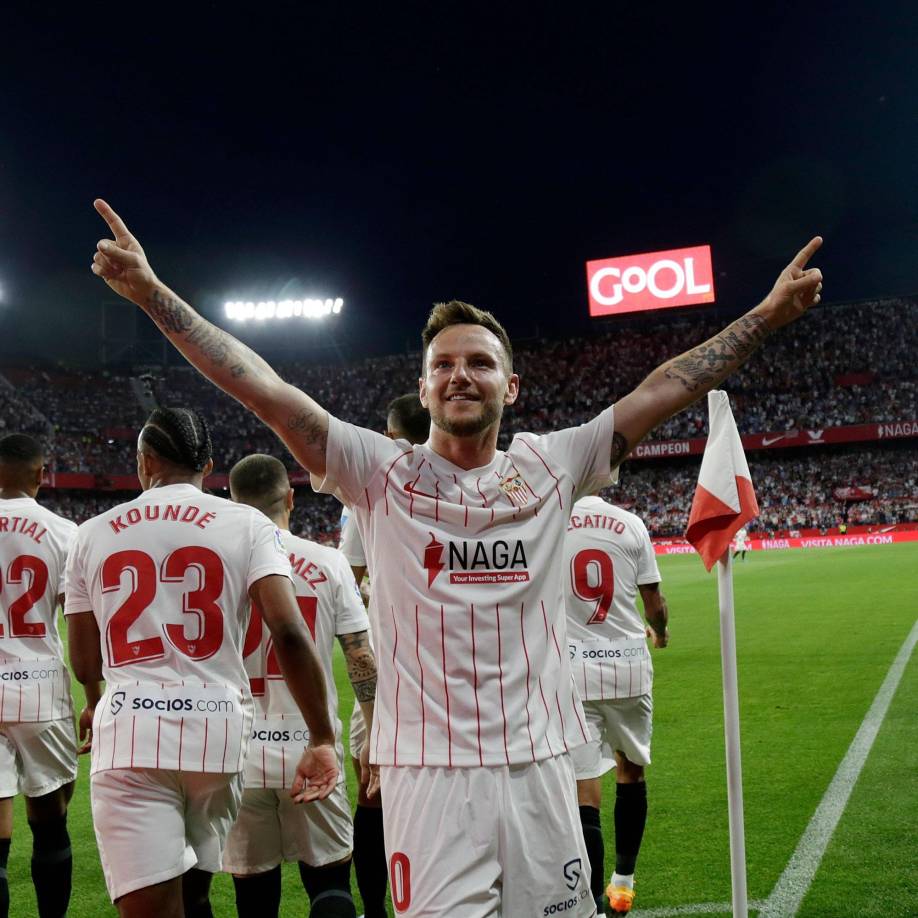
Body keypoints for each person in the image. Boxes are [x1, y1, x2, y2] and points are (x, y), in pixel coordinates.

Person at [90, 198, 823, 916]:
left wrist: (765, 315)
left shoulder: (554, 464)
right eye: (442, 364)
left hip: (540, 765)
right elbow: (263, 389)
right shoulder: (379, 473)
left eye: (479, 362)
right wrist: (153, 294)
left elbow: (665, 387)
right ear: (422, 386)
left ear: (512, 385)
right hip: (428, 777)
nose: (460, 375)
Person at [63, 407, 339, 918]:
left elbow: (84, 658)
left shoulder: (91, 532)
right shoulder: (248, 523)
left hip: (132, 732)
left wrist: (93, 700)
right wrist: (321, 736)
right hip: (221, 733)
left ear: (144, 461)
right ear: (208, 465)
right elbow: (289, 632)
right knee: (192, 891)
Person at [223, 453, 377, 918]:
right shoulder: (327, 562)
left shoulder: (220, 565)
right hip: (312, 744)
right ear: (290, 498)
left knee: (253, 893)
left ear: (232, 502)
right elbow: (359, 657)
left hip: (238, 749)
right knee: (330, 882)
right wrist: (374, 734)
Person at [336, 393, 429, 918]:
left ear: (390, 435)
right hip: (461, 675)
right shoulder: (472, 477)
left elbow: (350, 595)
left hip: (390, 674)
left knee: (372, 797)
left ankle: (376, 911)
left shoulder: (368, 495)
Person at [0, 434, 98, 918]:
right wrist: (95, 695)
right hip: (39, 687)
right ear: (41, 474)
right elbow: (80, 622)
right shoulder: (65, 531)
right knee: (50, 818)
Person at [563, 494, 668, 914]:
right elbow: (654, 602)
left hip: (573, 671)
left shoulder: (552, 519)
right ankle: (622, 888)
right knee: (631, 771)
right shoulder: (631, 523)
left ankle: (587, 903)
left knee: (584, 786)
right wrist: (659, 632)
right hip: (628, 665)